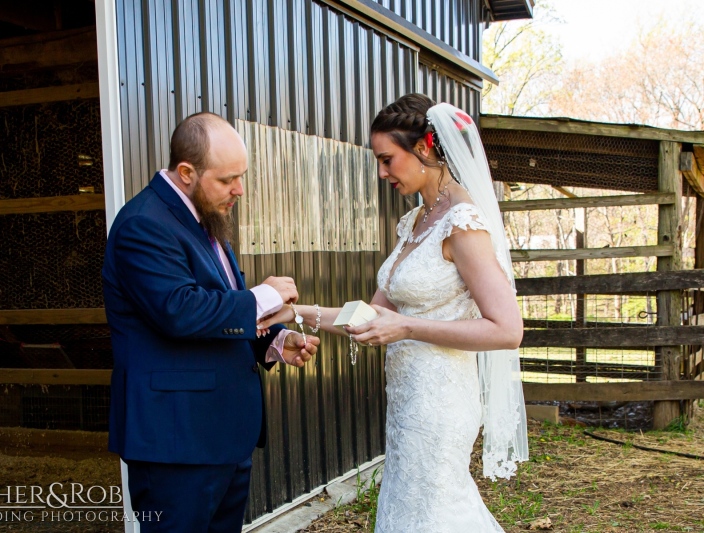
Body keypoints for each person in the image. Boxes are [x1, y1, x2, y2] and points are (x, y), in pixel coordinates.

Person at [258, 95, 528, 531]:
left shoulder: (462, 223)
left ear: (424, 147)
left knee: (437, 513)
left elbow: (507, 329)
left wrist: (405, 326)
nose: (381, 173)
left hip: (441, 400)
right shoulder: (417, 221)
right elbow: (366, 315)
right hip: (407, 400)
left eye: (387, 159)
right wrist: (293, 312)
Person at [102, 112, 319, 533]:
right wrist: (265, 296)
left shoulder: (205, 216)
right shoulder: (143, 224)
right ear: (186, 172)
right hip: (176, 442)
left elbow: (218, 310)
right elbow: (179, 310)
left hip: (221, 437)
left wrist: (275, 340)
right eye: (227, 179)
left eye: (242, 176)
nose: (239, 189)